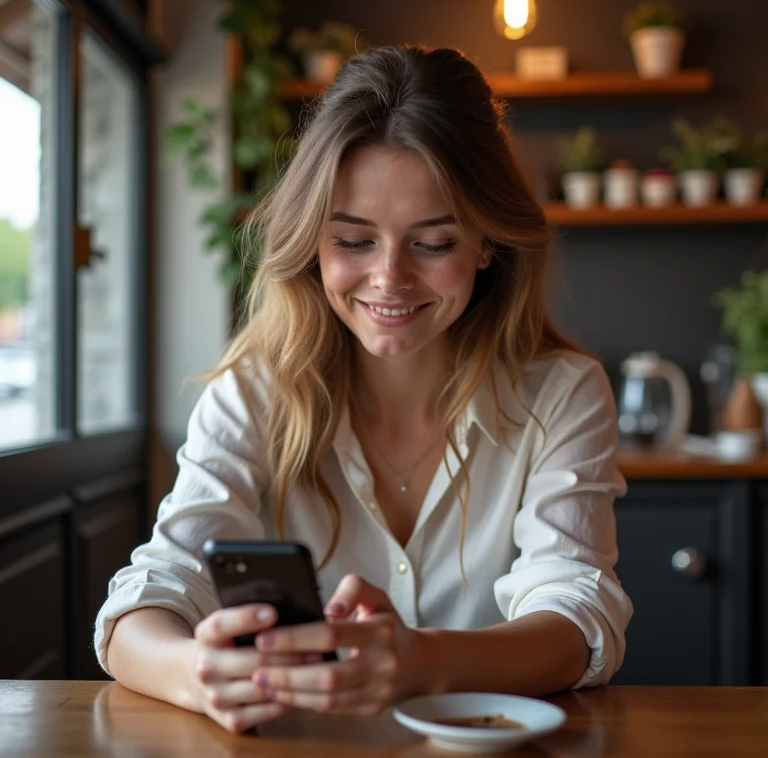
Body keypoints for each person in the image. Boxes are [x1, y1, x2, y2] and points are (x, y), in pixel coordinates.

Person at [97, 44, 632, 734]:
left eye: (433, 244)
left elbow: (577, 619)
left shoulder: (563, 393)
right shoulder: (251, 396)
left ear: (487, 244)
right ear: (311, 243)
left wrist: (421, 659)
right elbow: (151, 598)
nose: (389, 279)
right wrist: (198, 675)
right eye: (353, 241)